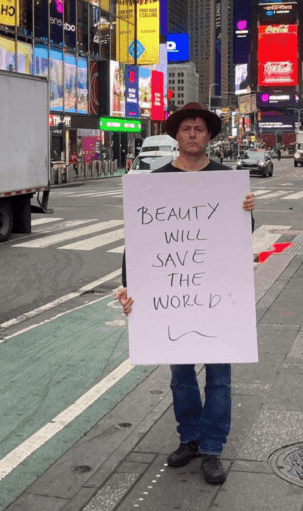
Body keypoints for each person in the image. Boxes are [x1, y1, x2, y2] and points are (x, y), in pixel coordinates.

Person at [115, 102, 255, 486]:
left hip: (216, 297)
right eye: (187, 129)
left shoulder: (226, 180)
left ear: (208, 137)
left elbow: (240, 236)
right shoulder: (154, 182)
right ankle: (189, 438)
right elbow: (139, 242)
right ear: (176, 136)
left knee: (219, 377)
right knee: (181, 376)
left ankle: (212, 448)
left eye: (199, 129)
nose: (193, 134)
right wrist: (129, 286)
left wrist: (247, 210)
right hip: (173, 299)